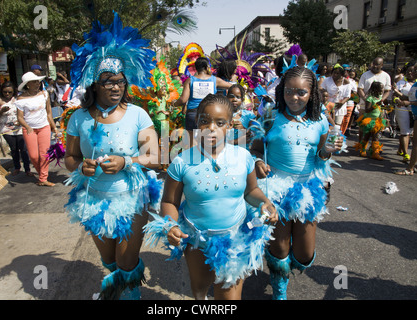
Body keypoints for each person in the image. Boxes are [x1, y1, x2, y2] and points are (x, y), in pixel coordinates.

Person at [63, 12, 160, 300]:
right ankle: (119, 285)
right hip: (93, 199)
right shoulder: (78, 117)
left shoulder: (137, 115)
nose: (115, 87)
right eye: (108, 82)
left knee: (126, 263)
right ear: (95, 84)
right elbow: (70, 157)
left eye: (119, 81)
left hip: (132, 197)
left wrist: (127, 162)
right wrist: (82, 167)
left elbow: (155, 156)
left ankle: (131, 296)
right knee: (109, 262)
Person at [144, 94, 278, 300]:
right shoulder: (181, 161)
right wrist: (170, 225)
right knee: (199, 289)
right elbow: (169, 201)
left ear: (230, 125)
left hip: (235, 239)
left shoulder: (243, 157)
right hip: (197, 239)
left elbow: (251, 191)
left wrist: (265, 203)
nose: (211, 128)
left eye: (220, 122)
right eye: (204, 121)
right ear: (196, 123)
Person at [250, 66, 344, 300]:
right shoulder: (271, 116)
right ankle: (279, 287)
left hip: (308, 189)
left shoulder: (321, 119)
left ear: (311, 93)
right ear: (281, 91)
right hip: (275, 188)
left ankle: (286, 267)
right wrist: (258, 161)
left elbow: (321, 156)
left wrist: (328, 151)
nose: (294, 97)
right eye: (289, 91)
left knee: (304, 254)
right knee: (279, 249)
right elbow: (254, 148)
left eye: (301, 92)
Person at [174, 57, 232, 148]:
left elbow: (183, 99)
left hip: (192, 114)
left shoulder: (190, 80)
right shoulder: (215, 80)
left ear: (196, 68)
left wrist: (173, 104)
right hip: (209, 114)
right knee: (209, 140)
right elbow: (232, 86)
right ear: (207, 67)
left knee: (191, 141)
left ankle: (192, 160)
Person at [15, 72, 58, 186]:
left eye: (37, 81)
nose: (37, 83)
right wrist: (27, 127)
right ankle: (42, 174)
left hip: (44, 126)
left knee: (44, 154)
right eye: (34, 82)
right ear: (27, 84)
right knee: (34, 156)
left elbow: (49, 113)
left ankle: (43, 178)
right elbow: (19, 118)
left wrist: (54, 127)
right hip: (29, 129)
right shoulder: (21, 98)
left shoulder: (44, 94)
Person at [0, 81, 33, 177]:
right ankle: (17, 167)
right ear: (1, 91)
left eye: (10, 92)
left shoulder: (18, 98)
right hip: (6, 129)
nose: (7, 94)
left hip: (19, 127)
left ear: (13, 92)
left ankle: (27, 169)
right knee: (14, 149)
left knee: (23, 149)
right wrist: (1, 111)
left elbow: (25, 111)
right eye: (5, 92)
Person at [357, 57, 391, 144]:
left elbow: (387, 91)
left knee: (377, 129)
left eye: (377, 64)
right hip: (365, 104)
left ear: (382, 65)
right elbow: (360, 88)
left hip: (378, 107)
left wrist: (381, 100)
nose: (375, 66)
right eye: (374, 64)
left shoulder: (386, 76)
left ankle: (374, 149)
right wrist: (365, 99)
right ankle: (361, 146)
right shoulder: (365, 75)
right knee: (363, 127)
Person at [395, 61, 417, 175]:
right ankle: (411, 166)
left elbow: (411, 100)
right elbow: (407, 96)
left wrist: (408, 102)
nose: (412, 72)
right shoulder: (413, 84)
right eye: (412, 70)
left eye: (415, 70)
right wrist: (399, 97)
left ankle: (410, 168)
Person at [355, 81, 386, 160]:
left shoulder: (379, 97)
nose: (382, 90)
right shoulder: (369, 98)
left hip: (377, 120)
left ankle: (375, 152)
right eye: (381, 88)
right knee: (367, 136)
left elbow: (380, 109)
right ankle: (363, 150)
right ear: (375, 89)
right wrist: (376, 105)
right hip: (369, 120)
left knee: (376, 137)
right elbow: (367, 110)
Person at [320, 64, 351, 131]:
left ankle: (334, 139)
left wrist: (341, 103)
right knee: (327, 124)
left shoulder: (346, 82)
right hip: (328, 106)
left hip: (339, 107)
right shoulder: (327, 80)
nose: (335, 75)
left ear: (341, 74)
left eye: (338, 73)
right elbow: (322, 90)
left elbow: (348, 96)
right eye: (334, 72)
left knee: (336, 126)